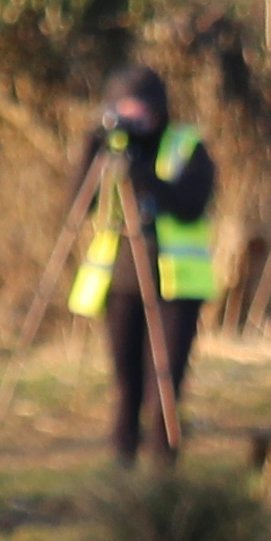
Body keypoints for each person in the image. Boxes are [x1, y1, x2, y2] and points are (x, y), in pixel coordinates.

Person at [65, 63, 215, 466]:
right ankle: (121, 467)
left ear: (159, 109)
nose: (134, 120)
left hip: (177, 286)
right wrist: (91, 150)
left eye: (141, 111)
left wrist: (145, 177)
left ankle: (164, 471)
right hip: (121, 282)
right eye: (124, 109)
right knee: (125, 384)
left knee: (164, 386)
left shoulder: (186, 145)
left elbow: (191, 206)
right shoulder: (108, 149)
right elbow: (78, 206)